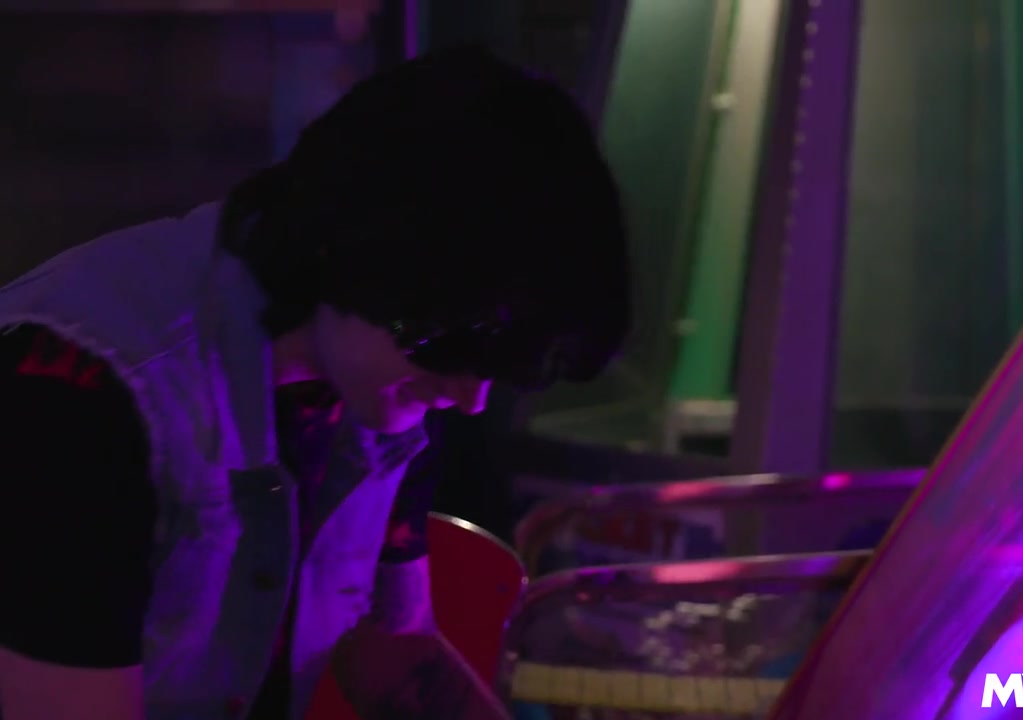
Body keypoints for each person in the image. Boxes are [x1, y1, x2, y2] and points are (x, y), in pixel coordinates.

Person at [0, 46, 629, 720]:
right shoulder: (77, 393)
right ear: (347, 248)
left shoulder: (380, 371)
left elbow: (390, 645)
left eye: (493, 367)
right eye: (450, 350)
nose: (469, 398)